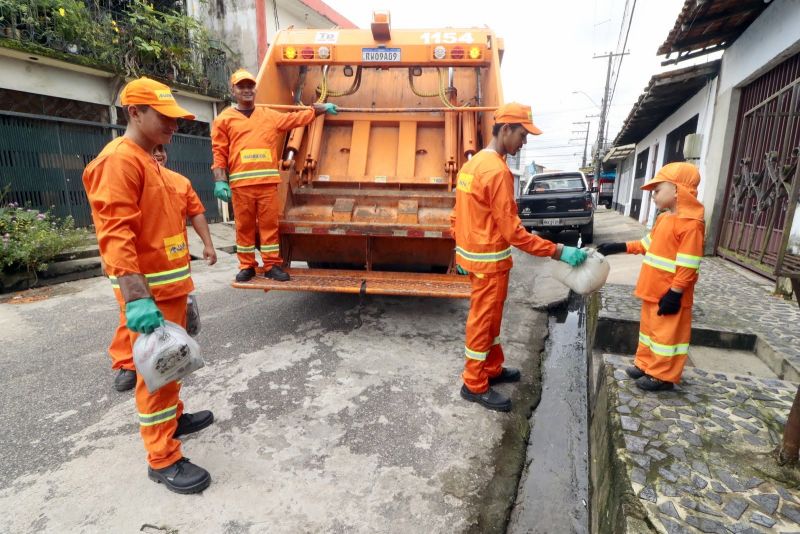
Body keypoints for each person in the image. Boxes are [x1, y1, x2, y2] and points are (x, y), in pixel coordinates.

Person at [83, 77, 214, 494]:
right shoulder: (119, 161)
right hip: (149, 295)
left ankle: (174, 418)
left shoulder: (148, 161)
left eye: (177, 119)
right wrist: (136, 298)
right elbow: (116, 234)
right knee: (156, 375)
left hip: (169, 288)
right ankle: (163, 458)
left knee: (171, 367)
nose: (173, 126)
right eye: (165, 117)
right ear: (134, 112)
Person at [452, 102, 587, 412]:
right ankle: (474, 384)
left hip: (479, 260)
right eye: (523, 135)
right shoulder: (497, 171)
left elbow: (457, 215)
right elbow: (514, 233)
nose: (524, 143)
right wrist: (557, 250)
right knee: (483, 322)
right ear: (506, 129)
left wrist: (458, 253)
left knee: (491, 321)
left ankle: (492, 369)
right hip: (489, 262)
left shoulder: (471, 166)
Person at [107, 144, 217, 392]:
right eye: (152, 149)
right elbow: (114, 225)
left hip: (172, 269)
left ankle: (166, 366)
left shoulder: (179, 181)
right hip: (138, 272)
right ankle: (128, 364)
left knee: (171, 327)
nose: (158, 153)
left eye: (162, 149)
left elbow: (196, 212)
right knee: (131, 320)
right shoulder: (127, 174)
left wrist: (208, 244)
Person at [211, 68, 337, 282]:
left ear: (255, 88)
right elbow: (219, 151)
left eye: (250, 86)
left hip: (267, 184)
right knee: (245, 228)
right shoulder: (224, 119)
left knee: (270, 227)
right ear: (233, 90)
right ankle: (247, 266)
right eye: (241, 86)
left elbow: (293, 120)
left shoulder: (268, 115)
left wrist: (318, 110)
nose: (247, 90)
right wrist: (220, 181)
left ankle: (271, 265)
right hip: (241, 186)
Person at [596, 162, 705, 392]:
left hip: (669, 295)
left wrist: (675, 293)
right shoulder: (664, 219)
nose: (653, 196)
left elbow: (688, 264)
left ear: (677, 190)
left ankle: (662, 376)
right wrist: (618, 246)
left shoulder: (691, 225)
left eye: (657, 191)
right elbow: (646, 245)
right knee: (649, 332)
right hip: (653, 291)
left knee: (666, 338)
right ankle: (645, 364)